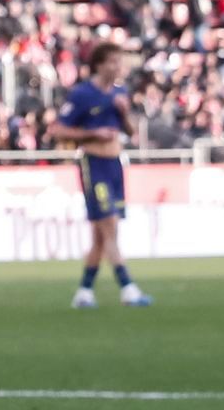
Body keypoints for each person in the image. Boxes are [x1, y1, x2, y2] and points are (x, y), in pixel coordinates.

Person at [51, 42, 152, 308]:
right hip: (93, 163)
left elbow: (130, 132)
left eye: (120, 62)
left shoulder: (120, 93)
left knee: (101, 234)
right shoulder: (83, 94)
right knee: (109, 226)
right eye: (113, 62)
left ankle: (84, 292)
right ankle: (127, 287)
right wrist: (93, 133)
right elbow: (59, 130)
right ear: (99, 64)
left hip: (115, 164)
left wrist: (123, 113)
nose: (118, 67)